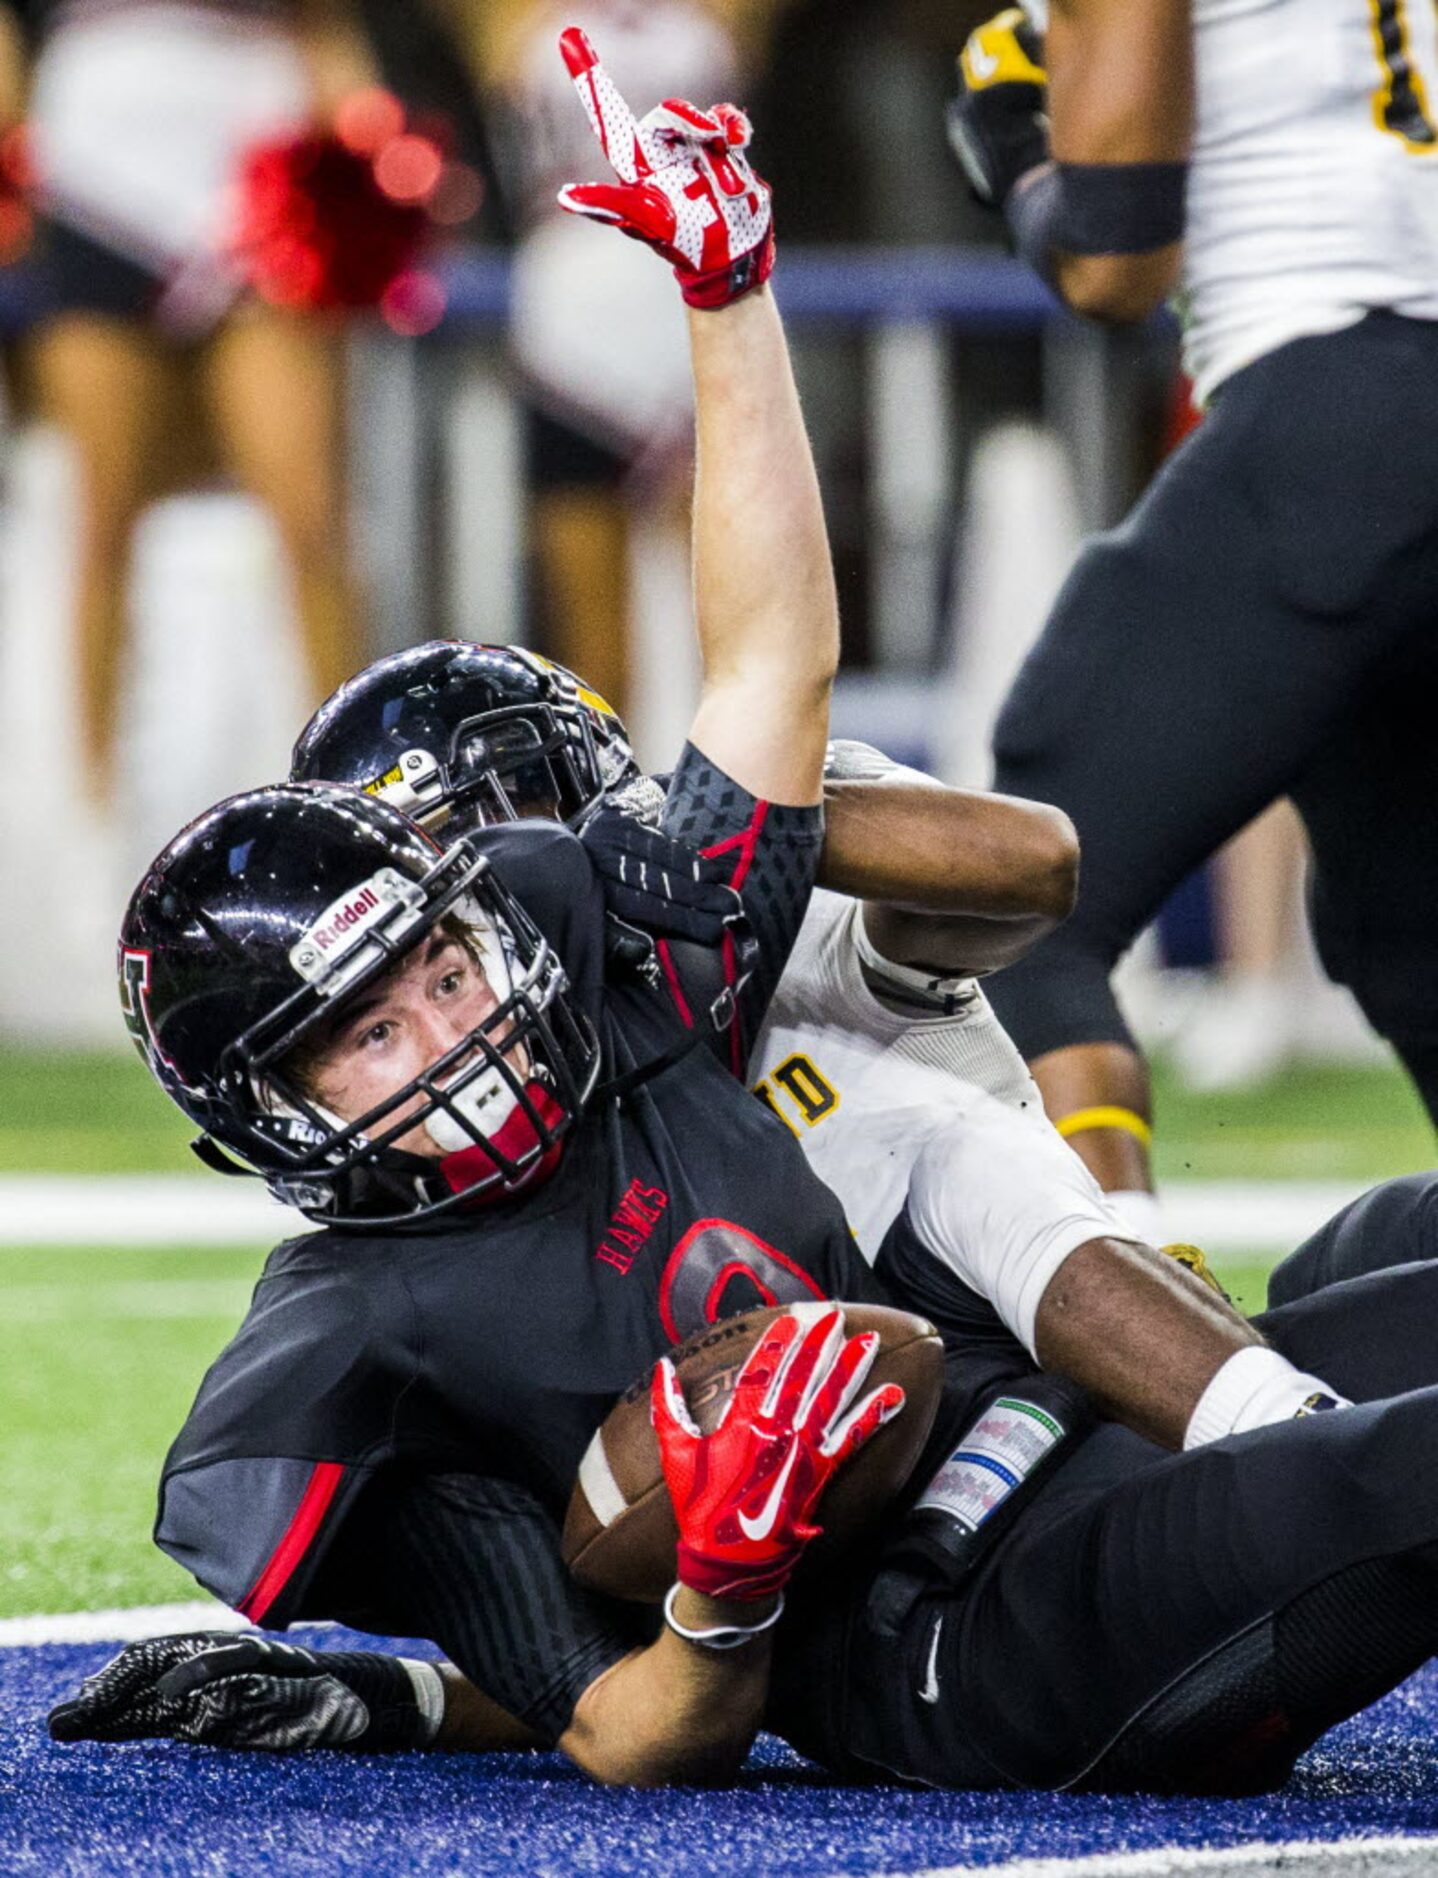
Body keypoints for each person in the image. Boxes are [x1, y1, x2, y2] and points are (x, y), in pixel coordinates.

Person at [287, 635, 1329, 1453]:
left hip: (1019, 1356)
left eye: (497, 837)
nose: (482, 897)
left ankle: (1289, 1438)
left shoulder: (720, 872)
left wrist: (754, 839)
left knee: (937, 1145)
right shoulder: (424, 1093)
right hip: (801, 1475)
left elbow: (1032, 866)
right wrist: (406, 1698)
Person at [948, 0, 1438, 1243]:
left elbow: (1115, 249)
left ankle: (1156, 1380)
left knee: (1004, 902)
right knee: (1408, 930)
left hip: (1343, 406)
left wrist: (1014, 148)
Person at [10, 0, 372, 802]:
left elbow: (330, 26)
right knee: (102, 517)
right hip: (98, 149)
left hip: (255, 140)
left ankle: (358, 802)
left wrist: (364, 141)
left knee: (311, 514)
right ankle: (93, 827)